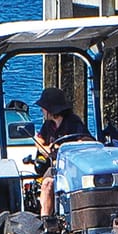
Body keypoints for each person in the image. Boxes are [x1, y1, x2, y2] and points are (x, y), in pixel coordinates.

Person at [31, 87, 90, 218]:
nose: (42, 111)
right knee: (47, 184)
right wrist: (46, 149)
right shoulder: (48, 124)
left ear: (50, 109)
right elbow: (38, 139)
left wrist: (65, 147)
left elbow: (86, 139)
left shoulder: (73, 122)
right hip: (56, 165)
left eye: (44, 108)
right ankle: (45, 219)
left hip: (72, 166)